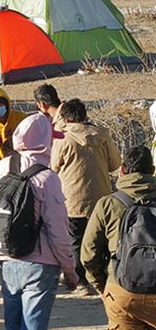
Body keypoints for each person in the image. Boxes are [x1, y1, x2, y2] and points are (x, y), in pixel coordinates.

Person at [0, 114, 77, 330]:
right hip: (40, 266)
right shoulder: (47, 177)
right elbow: (59, 231)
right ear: (44, 141)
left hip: (7, 261)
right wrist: (70, 270)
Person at [81, 146, 156, 330]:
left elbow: (89, 253)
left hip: (122, 291)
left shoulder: (109, 203)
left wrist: (101, 285)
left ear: (122, 170)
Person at [52, 99, 120, 296]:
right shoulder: (103, 135)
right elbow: (115, 164)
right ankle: (103, 279)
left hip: (73, 199)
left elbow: (53, 166)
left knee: (75, 239)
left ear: (65, 118)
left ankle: (80, 281)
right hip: (102, 199)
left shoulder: (63, 139)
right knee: (102, 239)